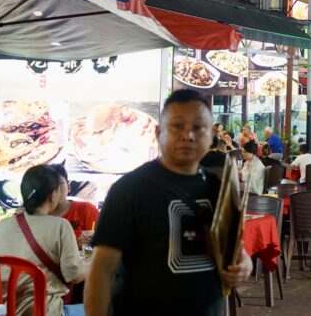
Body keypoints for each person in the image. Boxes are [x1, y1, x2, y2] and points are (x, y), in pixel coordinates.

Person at [85, 89, 252, 316]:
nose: (188, 135)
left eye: (198, 127)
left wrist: (244, 265)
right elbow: (102, 270)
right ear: (158, 132)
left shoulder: (219, 188)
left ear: (211, 136)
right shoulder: (129, 190)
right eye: (177, 126)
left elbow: (235, 249)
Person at [0, 165, 87, 315]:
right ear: (53, 195)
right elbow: (74, 276)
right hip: (43, 311)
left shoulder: (2, 225)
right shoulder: (61, 226)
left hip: (1, 312)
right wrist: (90, 263)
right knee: (101, 309)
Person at [48, 164, 100, 243]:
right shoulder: (36, 215)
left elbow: (102, 242)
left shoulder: (86, 210)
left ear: (69, 188)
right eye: (49, 184)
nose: (55, 188)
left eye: (59, 183)